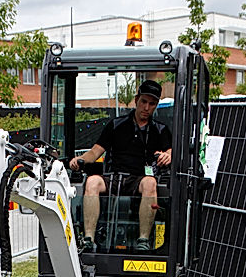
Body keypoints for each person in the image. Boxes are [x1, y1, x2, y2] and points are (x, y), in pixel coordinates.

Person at [69, 79, 172, 253]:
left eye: (152, 104)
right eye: (144, 102)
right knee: (92, 181)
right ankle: (88, 239)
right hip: (114, 177)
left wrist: (168, 155)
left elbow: (170, 151)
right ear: (136, 99)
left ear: (156, 105)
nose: (147, 107)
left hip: (139, 179)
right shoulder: (116, 125)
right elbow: (95, 152)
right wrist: (80, 159)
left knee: (150, 183)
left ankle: (143, 240)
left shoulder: (160, 130)